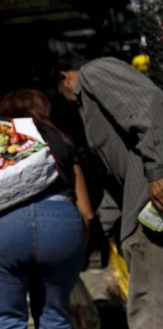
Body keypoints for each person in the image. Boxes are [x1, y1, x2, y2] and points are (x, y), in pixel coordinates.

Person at [0, 89, 94, 328]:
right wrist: (79, 252)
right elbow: (87, 213)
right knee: (56, 318)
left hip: (2, 228)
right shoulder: (60, 139)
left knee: (6, 319)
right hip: (61, 227)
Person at [55, 51, 163, 329]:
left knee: (149, 302)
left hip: (150, 202)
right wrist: (97, 231)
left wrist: (157, 169)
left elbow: (151, 104)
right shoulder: (88, 102)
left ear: (64, 76)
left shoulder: (95, 72)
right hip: (140, 202)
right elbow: (118, 181)